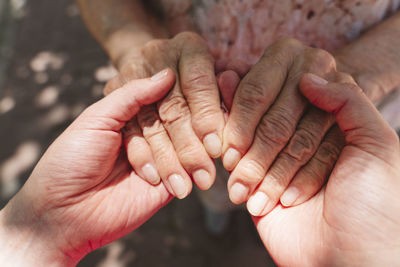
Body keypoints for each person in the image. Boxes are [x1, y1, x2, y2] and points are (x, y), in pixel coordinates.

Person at [0, 70, 399, 266]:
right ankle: (216, 212)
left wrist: (39, 231)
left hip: (333, 105)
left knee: (225, 167)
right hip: (191, 108)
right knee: (209, 178)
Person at [75, 1, 400, 220]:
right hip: (184, 98)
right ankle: (216, 210)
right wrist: (136, 50)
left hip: (343, 90)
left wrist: (347, 77)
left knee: (313, 196)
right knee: (204, 175)